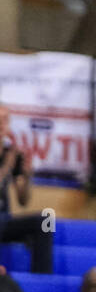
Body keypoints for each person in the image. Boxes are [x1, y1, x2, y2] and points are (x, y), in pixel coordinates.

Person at [0, 106, 53, 273]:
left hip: (4, 221)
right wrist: (7, 166)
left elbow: (23, 201)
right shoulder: (9, 158)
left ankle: (43, 278)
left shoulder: (11, 153)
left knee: (46, 220)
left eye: (5, 120)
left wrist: (28, 176)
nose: (1, 124)